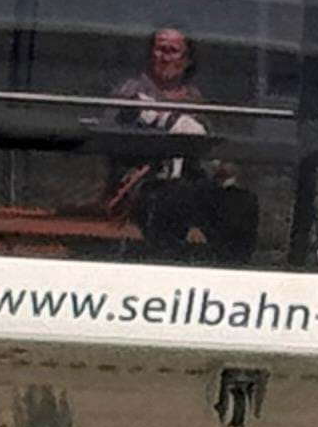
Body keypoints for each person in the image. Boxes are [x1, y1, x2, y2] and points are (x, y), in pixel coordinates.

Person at [107, 26, 255, 259]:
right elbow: (123, 121)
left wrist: (222, 170)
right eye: (160, 49)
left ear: (186, 60)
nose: (165, 56)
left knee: (240, 202)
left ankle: (232, 271)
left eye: (173, 51)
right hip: (144, 189)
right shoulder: (130, 91)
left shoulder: (196, 100)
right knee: (175, 197)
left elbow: (211, 148)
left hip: (196, 185)